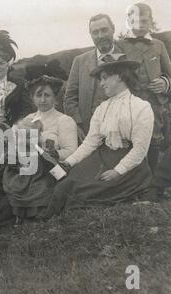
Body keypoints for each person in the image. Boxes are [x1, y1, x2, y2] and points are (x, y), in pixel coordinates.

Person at [44, 57, 154, 217]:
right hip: (103, 156)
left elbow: (140, 149)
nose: (101, 84)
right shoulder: (102, 108)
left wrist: (118, 171)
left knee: (84, 191)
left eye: (104, 78)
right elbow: (90, 142)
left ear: (119, 76)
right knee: (67, 183)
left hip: (130, 165)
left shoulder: (142, 107)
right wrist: (68, 162)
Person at [117, 3, 171, 172]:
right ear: (129, 21)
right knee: (132, 140)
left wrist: (165, 82)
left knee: (154, 140)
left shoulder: (158, 45)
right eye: (135, 19)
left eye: (144, 19)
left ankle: (153, 181)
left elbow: (169, 73)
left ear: (150, 21)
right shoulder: (120, 45)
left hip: (154, 104)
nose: (140, 22)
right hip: (130, 104)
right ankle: (134, 182)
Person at [64, 14, 126, 141]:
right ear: (90, 34)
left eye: (104, 30)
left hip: (123, 132)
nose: (100, 36)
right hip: (89, 133)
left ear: (113, 29)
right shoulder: (80, 61)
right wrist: (77, 124)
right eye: (95, 32)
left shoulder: (128, 57)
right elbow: (70, 97)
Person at [3, 118, 57, 225]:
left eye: (32, 136)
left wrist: (50, 153)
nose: (29, 140)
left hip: (39, 176)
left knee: (42, 187)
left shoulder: (39, 148)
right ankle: (20, 215)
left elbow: (50, 162)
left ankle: (36, 213)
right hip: (21, 177)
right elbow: (11, 162)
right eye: (25, 136)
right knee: (21, 190)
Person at [24, 64, 78, 161]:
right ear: (32, 98)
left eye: (47, 95)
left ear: (54, 98)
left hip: (52, 169)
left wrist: (50, 154)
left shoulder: (64, 121)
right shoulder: (28, 119)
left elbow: (71, 151)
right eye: (39, 95)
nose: (43, 100)